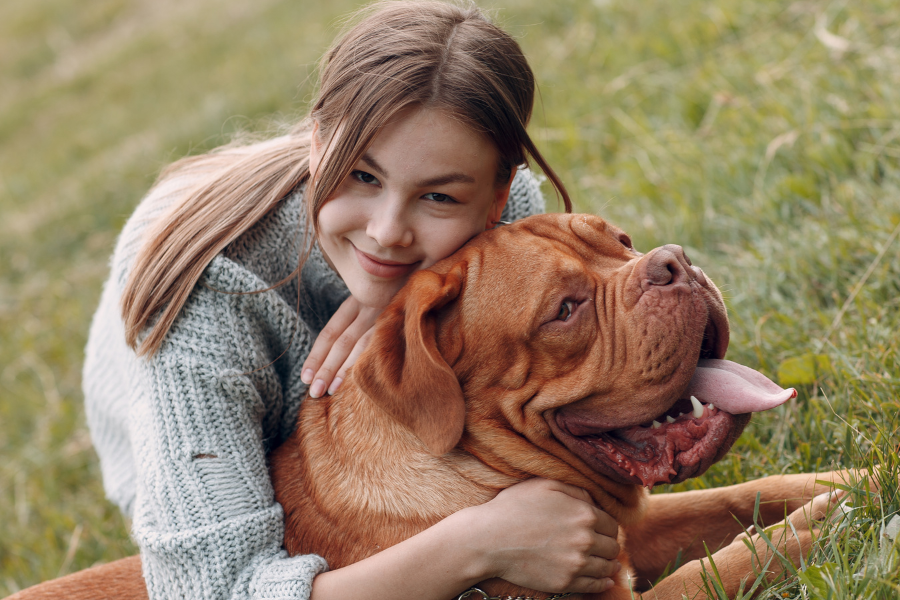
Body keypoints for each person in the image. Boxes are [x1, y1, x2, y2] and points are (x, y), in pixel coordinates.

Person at [83, 2, 622, 599]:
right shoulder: (202, 300)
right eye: (364, 176)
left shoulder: (500, 223)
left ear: (496, 199)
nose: (387, 231)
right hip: (193, 443)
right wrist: (478, 544)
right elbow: (215, 591)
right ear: (317, 145)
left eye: (438, 197)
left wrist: (396, 309)